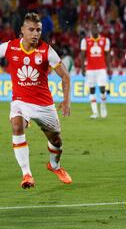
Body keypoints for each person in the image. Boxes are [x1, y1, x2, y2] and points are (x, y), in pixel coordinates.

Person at [0, 12, 72, 189]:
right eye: (31, 29)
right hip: (20, 102)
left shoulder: (46, 50)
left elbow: (65, 76)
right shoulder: (10, 47)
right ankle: (27, 174)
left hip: (44, 105)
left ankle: (54, 166)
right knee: (17, 126)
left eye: (38, 30)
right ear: (22, 31)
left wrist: (66, 101)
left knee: (56, 141)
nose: (35, 33)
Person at [80, 21, 111, 119]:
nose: (95, 30)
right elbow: (82, 56)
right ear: (90, 30)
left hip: (101, 68)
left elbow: (107, 55)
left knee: (102, 89)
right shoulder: (85, 41)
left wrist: (109, 67)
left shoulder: (105, 40)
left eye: (96, 28)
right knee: (92, 90)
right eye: (93, 28)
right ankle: (95, 112)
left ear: (99, 29)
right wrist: (82, 67)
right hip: (90, 69)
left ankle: (102, 106)